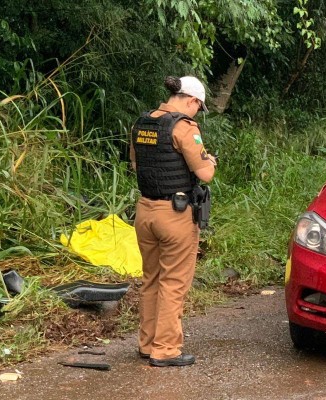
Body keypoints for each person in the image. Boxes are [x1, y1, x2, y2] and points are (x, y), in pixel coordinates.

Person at [129, 75, 216, 367]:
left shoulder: (142, 124)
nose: (197, 113)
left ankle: (147, 344)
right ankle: (165, 349)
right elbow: (205, 174)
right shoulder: (183, 127)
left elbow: (136, 164)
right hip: (174, 215)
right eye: (198, 107)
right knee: (174, 283)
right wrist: (210, 161)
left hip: (145, 211)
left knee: (151, 279)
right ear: (192, 100)